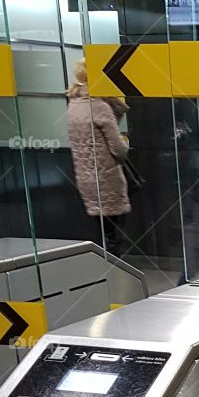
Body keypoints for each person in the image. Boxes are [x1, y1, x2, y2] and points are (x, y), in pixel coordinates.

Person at [66, 60, 131, 254]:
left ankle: (106, 269)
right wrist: (125, 142)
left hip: (86, 177)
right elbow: (119, 150)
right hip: (107, 177)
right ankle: (116, 272)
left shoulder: (74, 106)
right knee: (114, 237)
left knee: (103, 231)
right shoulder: (100, 107)